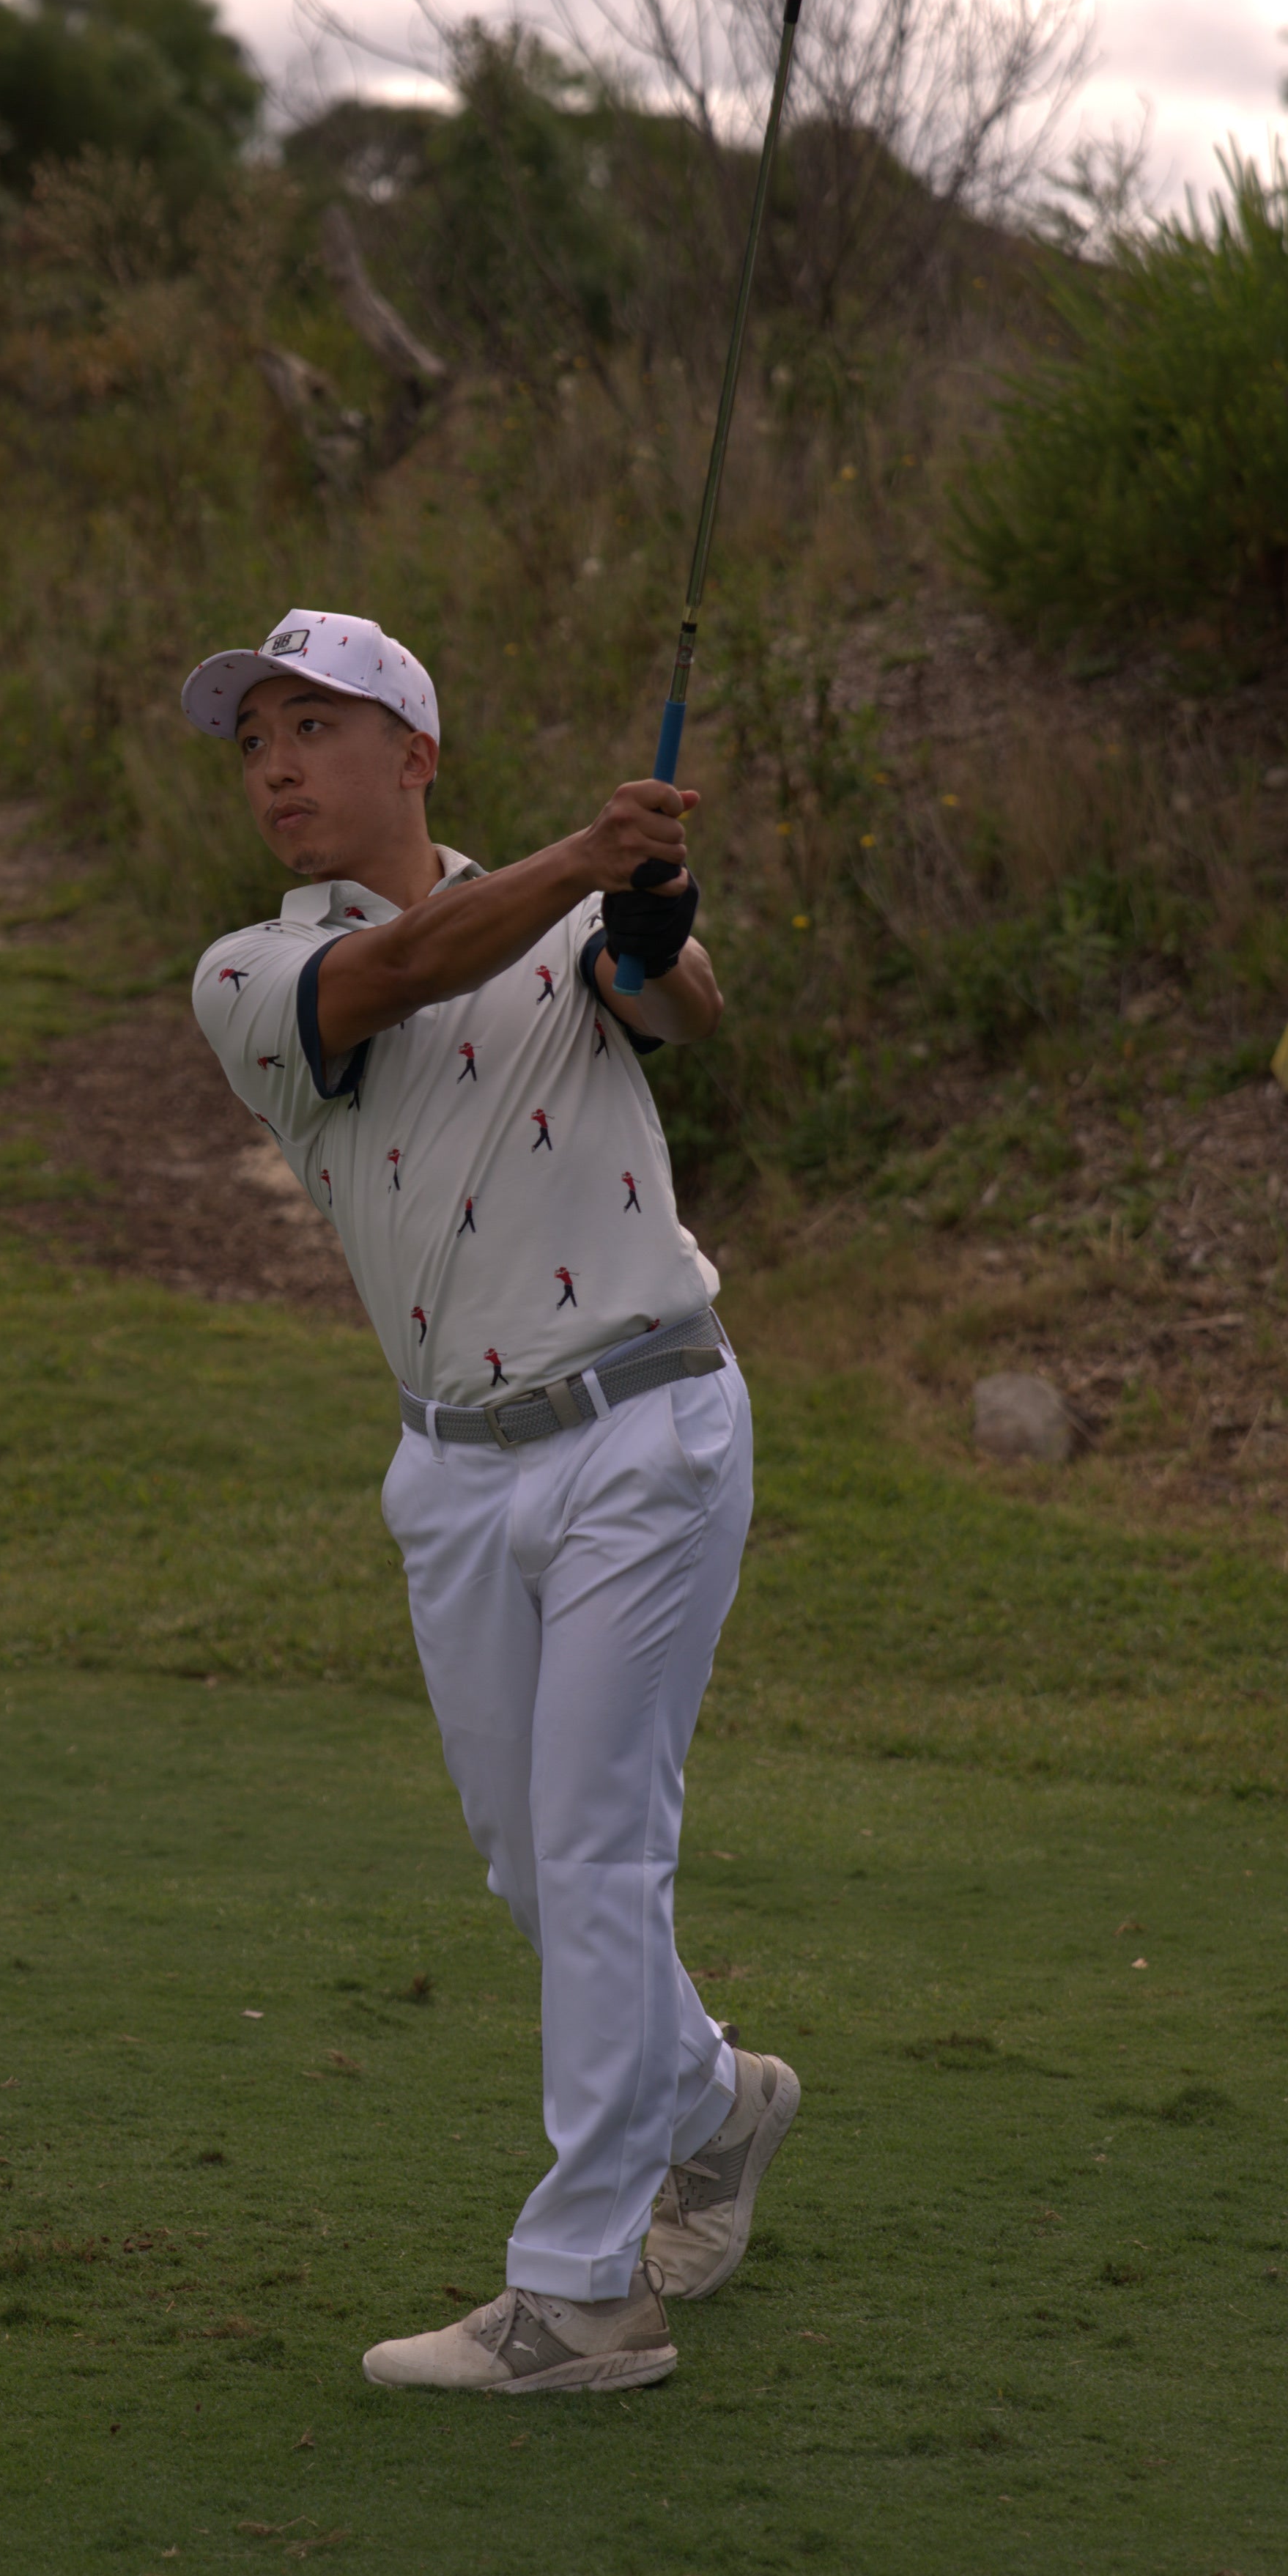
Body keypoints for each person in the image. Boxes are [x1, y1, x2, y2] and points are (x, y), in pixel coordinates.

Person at [185, 605, 799, 2398]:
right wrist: (583, 863)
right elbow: (401, 976)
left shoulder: (558, 921)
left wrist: (652, 917)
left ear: (413, 755)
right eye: (254, 740)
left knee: (601, 1849)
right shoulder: (249, 974)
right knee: (537, 1877)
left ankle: (581, 2295)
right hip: (450, 1470)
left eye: (314, 724)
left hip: (646, 1430)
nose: (278, 764)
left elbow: (675, 1008)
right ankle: (713, 2101)